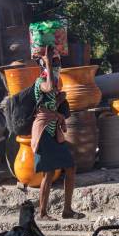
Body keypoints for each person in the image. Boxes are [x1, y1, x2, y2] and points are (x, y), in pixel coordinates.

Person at [31, 46, 84, 221]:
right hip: (44, 130)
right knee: (49, 172)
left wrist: (60, 99)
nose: (56, 65)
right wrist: (47, 62)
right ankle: (42, 213)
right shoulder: (41, 82)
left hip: (54, 130)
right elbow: (49, 86)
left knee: (70, 167)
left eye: (56, 62)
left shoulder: (53, 81)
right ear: (44, 66)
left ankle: (67, 210)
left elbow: (52, 93)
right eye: (53, 63)